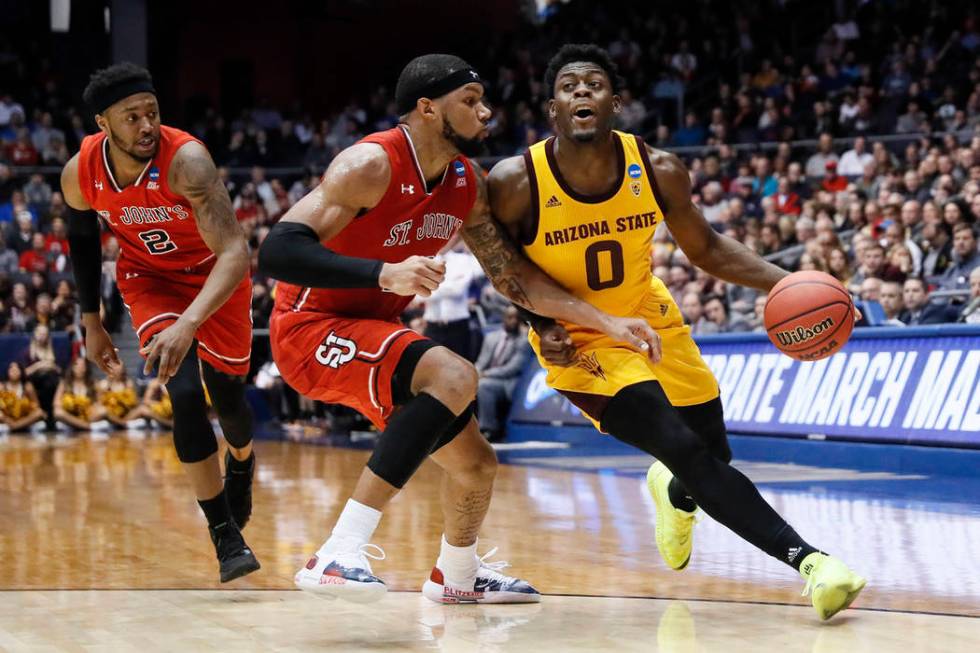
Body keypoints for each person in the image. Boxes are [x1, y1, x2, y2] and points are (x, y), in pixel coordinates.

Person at [259, 53, 655, 605]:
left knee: (476, 464)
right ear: (427, 108)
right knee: (452, 374)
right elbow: (276, 252)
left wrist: (597, 321)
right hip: (310, 327)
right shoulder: (369, 164)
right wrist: (382, 272)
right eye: (470, 102)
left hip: (375, 331)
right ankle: (337, 550)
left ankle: (458, 574)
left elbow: (509, 274)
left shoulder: (467, 182)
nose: (486, 112)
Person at [488, 44, 865, 621]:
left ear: (617, 102)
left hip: (648, 312)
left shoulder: (658, 169)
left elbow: (708, 249)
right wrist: (540, 322)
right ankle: (813, 564)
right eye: (570, 86)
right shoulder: (516, 181)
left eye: (594, 84)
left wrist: (803, 283)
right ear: (553, 109)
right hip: (579, 341)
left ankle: (673, 493)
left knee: (712, 452)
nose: (582, 92)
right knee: (682, 446)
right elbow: (509, 271)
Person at [61, 63, 259, 582]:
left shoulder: (187, 161)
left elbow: (236, 252)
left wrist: (191, 321)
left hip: (215, 277)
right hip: (149, 280)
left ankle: (242, 459)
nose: (147, 125)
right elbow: (82, 239)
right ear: (103, 123)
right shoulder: (79, 172)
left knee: (230, 399)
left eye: (152, 113)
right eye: (132, 117)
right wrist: (92, 321)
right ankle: (224, 536)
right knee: (186, 394)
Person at [474, 306, 529, 441]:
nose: (514, 321)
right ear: (504, 318)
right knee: (467, 382)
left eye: (517, 318)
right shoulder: (491, 337)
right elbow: (481, 361)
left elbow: (512, 368)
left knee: (484, 386)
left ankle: (489, 429)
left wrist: (486, 374)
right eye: (510, 317)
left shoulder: (523, 341)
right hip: (487, 376)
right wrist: (474, 373)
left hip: (507, 382)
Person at [53, 357, 108, 430]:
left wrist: (90, 408)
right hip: (70, 414)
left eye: (83, 366)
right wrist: (69, 405)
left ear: (86, 368)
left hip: (87, 415)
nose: (80, 369)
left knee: (103, 410)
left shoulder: (93, 383)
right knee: (58, 412)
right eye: (77, 365)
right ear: (72, 367)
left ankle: (77, 426)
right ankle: (88, 427)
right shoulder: (65, 383)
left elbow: (99, 402)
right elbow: (56, 402)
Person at [0, 361, 46, 433]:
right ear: (7, 371)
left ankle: (15, 426)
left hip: (24, 419)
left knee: (39, 412)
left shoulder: (27, 386)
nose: (14, 371)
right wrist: (6, 419)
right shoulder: (2, 386)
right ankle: (15, 426)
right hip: (7, 419)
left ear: (21, 372)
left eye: (17, 369)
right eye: (11, 369)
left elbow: (36, 406)